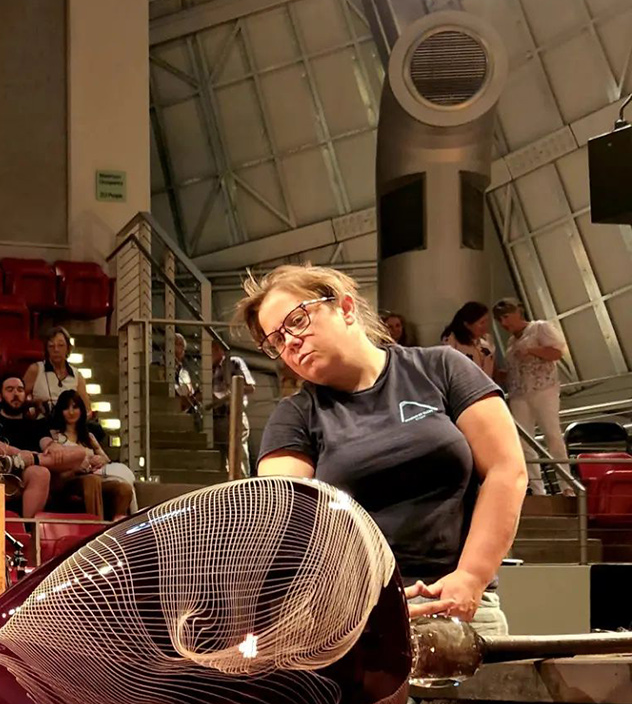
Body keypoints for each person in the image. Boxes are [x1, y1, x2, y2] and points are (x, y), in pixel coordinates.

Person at [240, 264, 527, 634]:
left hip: (461, 602)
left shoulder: (442, 368)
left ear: (344, 308)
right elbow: (289, 521)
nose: (289, 343)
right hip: (358, 618)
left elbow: (506, 471)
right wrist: (348, 604)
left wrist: (471, 577)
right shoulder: (293, 416)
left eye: (296, 321)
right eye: (276, 341)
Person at [493, 297, 571, 496]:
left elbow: (556, 353)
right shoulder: (511, 340)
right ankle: (537, 489)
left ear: (518, 312)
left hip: (543, 389)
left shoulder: (539, 328)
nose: (504, 323)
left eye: (506, 317)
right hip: (519, 393)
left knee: (552, 435)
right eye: (500, 320)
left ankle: (566, 486)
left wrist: (532, 350)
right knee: (523, 441)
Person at [0, 372, 86, 516]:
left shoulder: (35, 423)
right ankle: (29, 528)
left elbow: (46, 443)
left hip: (31, 467)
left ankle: (31, 461)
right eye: (10, 390)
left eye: (20, 390)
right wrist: (19, 454)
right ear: (0, 396)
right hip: (1, 469)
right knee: (40, 472)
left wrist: (52, 446)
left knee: (79, 452)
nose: (16, 394)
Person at [43, 389, 137, 519]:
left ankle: (117, 526)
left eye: (75, 407)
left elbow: (106, 460)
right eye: (66, 408)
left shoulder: (88, 436)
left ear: (81, 410)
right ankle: (96, 526)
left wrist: (100, 460)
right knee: (92, 481)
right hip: (67, 480)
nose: (71, 412)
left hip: (93, 476)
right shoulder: (54, 436)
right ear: (60, 411)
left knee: (123, 488)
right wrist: (75, 467)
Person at [23, 325, 87, 416]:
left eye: (61, 345)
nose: (56, 350)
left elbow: (86, 408)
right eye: (51, 346)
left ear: (68, 348)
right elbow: (20, 400)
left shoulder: (77, 376)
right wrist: (34, 404)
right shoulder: (36, 369)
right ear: (46, 349)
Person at [213, 347, 257, 477]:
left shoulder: (233, 362)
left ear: (219, 350)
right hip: (216, 418)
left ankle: (243, 488)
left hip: (234, 414)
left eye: (212, 349)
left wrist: (231, 393)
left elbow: (250, 387)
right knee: (222, 458)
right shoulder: (208, 369)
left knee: (239, 455)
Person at [442, 301, 496, 379]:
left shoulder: (487, 339)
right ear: (467, 325)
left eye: (486, 321)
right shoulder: (452, 339)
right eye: (482, 322)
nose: (485, 326)